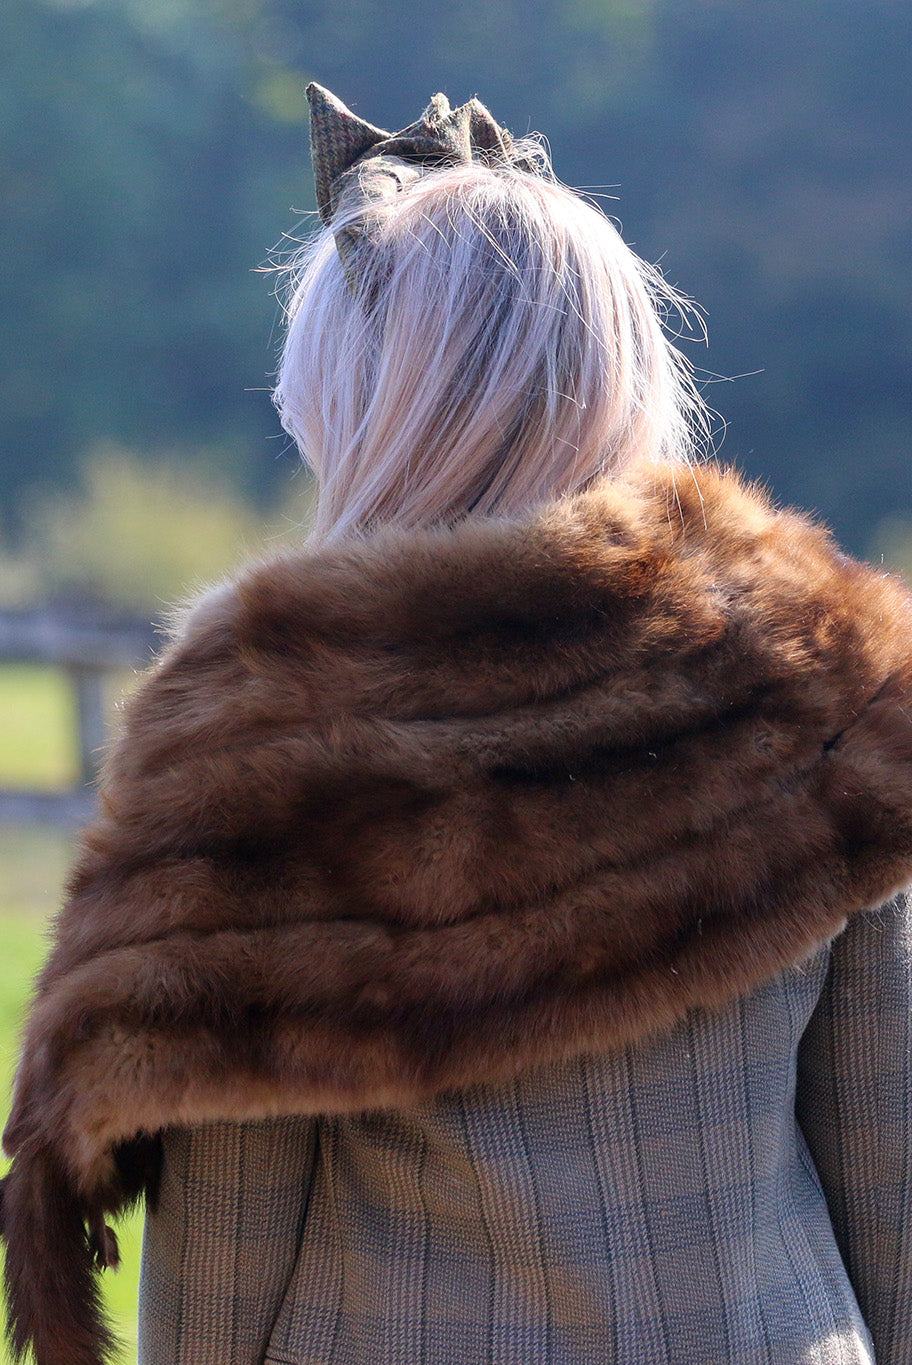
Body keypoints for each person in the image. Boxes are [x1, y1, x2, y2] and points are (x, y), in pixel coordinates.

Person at [2, 83, 912, 1365]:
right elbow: (888, 1159)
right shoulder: (819, 663)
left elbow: (230, 1256)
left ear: (364, 397)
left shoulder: (270, 711)